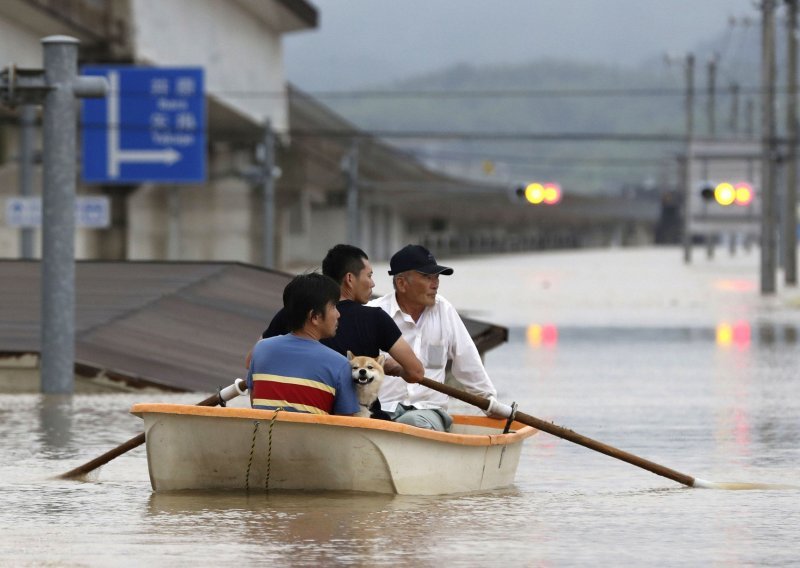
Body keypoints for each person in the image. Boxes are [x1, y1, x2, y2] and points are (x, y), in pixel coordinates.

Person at [368, 244, 498, 431]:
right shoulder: (374, 312)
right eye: (427, 277)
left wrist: (491, 404)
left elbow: (468, 362)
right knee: (379, 424)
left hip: (429, 411)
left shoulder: (444, 310)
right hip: (383, 409)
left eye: (436, 277)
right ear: (402, 283)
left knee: (413, 423)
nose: (435, 284)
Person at [257, 244, 424, 384]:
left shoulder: (293, 312)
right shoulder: (375, 318)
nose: (372, 283)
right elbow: (416, 372)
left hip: (308, 410)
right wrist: (382, 366)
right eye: (369, 275)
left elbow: (253, 361)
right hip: (359, 416)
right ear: (350, 279)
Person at [247, 273, 359, 415]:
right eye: (333, 307)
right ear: (315, 317)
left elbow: (255, 406)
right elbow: (345, 426)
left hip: (264, 436)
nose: (338, 314)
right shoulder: (340, 365)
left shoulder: (261, 349)